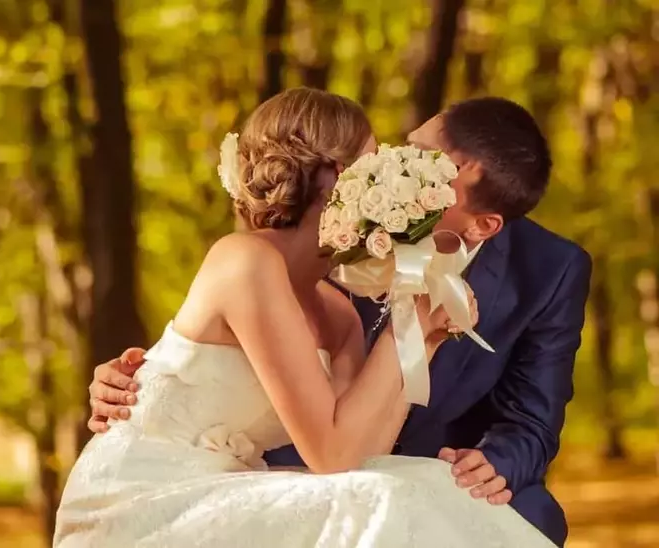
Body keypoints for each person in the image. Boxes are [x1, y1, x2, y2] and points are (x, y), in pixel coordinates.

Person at [54, 88, 553, 547]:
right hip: (146, 492)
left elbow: (360, 454)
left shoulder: (339, 310)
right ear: (337, 175)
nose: (395, 177)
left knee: (427, 484)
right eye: (374, 162)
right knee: (385, 501)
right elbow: (331, 457)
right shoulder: (244, 261)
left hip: (225, 484)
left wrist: (423, 336)